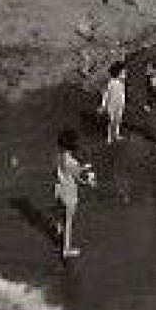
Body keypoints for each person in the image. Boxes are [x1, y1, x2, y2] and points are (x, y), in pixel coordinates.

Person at [53, 128, 95, 259]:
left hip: (58, 188)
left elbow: (69, 170)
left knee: (61, 212)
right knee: (69, 222)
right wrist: (90, 181)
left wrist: (82, 168)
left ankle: (59, 230)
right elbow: (79, 179)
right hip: (69, 192)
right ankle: (66, 249)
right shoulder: (72, 162)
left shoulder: (59, 156)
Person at [100, 61, 127, 143]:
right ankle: (109, 137)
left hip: (119, 105)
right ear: (117, 73)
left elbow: (122, 94)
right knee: (111, 121)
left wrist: (123, 102)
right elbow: (106, 94)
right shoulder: (111, 83)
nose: (125, 75)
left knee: (118, 120)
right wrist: (103, 105)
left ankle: (116, 134)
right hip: (112, 106)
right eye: (123, 73)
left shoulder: (122, 83)